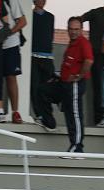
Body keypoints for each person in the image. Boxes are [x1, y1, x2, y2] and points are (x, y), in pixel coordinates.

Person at [35, 17, 93, 154]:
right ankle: (49, 122)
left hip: (74, 85)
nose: (73, 32)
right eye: (71, 29)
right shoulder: (72, 43)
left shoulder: (83, 43)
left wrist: (79, 76)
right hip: (64, 83)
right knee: (42, 90)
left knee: (74, 115)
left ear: (81, 30)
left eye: (76, 29)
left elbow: (89, 61)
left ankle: (77, 148)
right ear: (67, 29)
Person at [2, 0, 26, 123]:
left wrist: (8, 33)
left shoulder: (11, 1)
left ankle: (15, 112)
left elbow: (23, 21)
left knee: (11, 77)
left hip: (11, 44)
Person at [31, 0, 55, 122]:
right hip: (33, 56)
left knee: (48, 87)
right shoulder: (30, 16)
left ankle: (48, 115)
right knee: (34, 87)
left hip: (47, 57)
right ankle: (39, 114)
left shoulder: (50, 17)